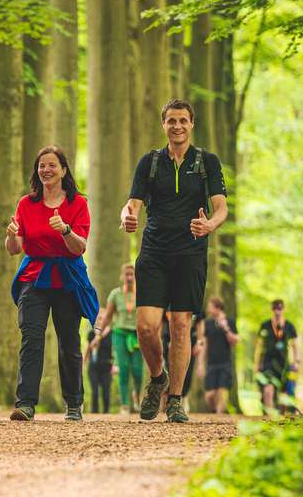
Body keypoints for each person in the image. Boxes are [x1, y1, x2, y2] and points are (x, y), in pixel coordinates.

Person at [120, 99, 228, 423]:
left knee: (181, 326)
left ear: (192, 124)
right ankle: (158, 378)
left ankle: (176, 400)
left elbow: (221, 207)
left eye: (183, 120)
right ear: (163, 124)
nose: (177, 126)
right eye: (171, 121)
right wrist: (128, 217)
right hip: (153, 251)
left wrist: (210, 224)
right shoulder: (150, 162)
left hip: (191, 253)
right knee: (146, 327)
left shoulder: (206, 162)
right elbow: (132, 204)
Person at [7, 145, 99, 422]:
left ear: (63, 170)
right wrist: (11, 235)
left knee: (69, 341)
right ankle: (25, 404)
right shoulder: (26, 204)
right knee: (31, 338)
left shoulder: (77, 204)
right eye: (41, 166)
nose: (46, 170)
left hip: (67, 278)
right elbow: (14, 248)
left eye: (51, 165)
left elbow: (79, 247)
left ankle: (73, 404)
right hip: (34, 277)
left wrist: (66, 230)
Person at [91, 264, 143, 415]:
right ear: (122, 276)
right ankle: (125, 405)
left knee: (138, 370)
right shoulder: (115, 294)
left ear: (135, 276)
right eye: (126, 274)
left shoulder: (141, 293)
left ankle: (137, 396)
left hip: (137, 336)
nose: (129, 277)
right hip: (120, 334)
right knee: (124, 368)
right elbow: (107, 316)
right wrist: (99, 334)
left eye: (132, 274)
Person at [254, 299, 301, 412]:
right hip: (268, 363)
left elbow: (296, 346)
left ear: (283, 309)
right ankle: (268, 420)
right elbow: (259, 347)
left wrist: (297, 361)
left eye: (279, 308)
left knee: (284, 396)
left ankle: (281, 421)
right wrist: (256, 364)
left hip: (284, 364)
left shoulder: (289, 326)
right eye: (275, 308)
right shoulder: (265, 325)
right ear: (272, 309)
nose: (277, 311)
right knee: (268, 390)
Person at [197, 296, 239, 414]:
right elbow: (205, 345)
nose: (208, 309)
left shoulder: (230, 322)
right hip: (211, 363)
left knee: (222, 392)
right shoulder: (208, 323)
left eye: (210, 307)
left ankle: (219, 417)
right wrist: (200, 364)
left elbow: (235, 341)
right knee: (209, 395)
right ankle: (215, 412)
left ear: (218, 307)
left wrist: (226, 328)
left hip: (225, 363)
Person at [84, 316, 113, 414]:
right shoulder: (91, 334)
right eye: (98, 319)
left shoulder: (111, 334)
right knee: (95, 392)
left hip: (107, 367)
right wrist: (82, 362)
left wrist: (116, 365)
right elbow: (87, 349)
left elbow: (115, 350)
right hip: (93, 367)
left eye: (102, 319)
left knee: (106, 393)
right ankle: (94, 414)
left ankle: (106, 414)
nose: (100, 321)